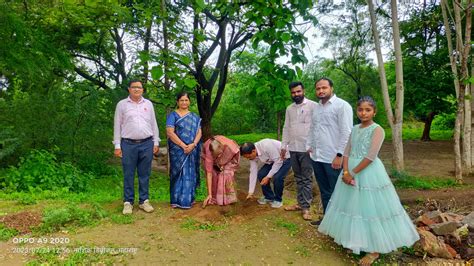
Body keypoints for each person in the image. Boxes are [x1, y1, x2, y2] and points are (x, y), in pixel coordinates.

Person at [318, 96, 419, 265]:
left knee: (371, 210)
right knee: (352, 207)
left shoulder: (377, 129)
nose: (363, 113)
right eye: (360, 110)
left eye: (367, 110)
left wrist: (353, 173)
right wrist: (345, 172)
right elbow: (347, 151)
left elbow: (371, 156)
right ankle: (355, 241)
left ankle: (374, 250)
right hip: (349, 169)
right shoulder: (355, 128)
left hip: (367, 172)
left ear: (374, 111)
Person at [306, 77, 353, 225]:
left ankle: (341, 225)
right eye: (318, 88)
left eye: (324, 88)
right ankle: (327, 220)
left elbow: (347, 132)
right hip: (317, 157)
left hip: (333, 158)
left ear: (331, 88)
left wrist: (340, 155)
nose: (321, 91)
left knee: (338, 192)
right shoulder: (317, 108)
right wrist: (309, 147)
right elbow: (313, 129)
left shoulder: (342, 106)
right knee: (325, 191)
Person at [113, 79, 160, 215]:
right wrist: (117, 145)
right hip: (128, 144)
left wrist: (155, 142)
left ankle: (144, 201)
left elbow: (153, 123)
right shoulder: (122, 105)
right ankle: (128, 202)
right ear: (129, 89)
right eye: (133, 87)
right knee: (128, 174)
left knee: (144, 174)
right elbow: (117, 125)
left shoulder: (148, 104)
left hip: (146, 143)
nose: (136, 89)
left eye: (139, 87)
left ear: (142, 90)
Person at [281, 81, 317, 220]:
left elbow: (317, 127)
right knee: (298, 177)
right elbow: (286, 127)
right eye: (293, 92)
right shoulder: (289, 108)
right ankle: (300, 203)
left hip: (307, 149)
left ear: (303, 91)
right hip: (293, 148)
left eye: (298, 91)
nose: (296, 94)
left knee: (307, 178)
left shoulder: (313, 106)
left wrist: (313, 145)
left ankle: (306, 208)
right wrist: (284, 146)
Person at [166, 92, 202, 209]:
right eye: (181, 100)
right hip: (177, 150)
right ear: (177, 102)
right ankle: (176, 200)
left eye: (186, 100)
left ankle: (189, 200)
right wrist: (183, 145)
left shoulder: (194, 117)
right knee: (178, 173)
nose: (184, 102)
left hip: (192, 149)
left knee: (190, 173)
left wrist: (193, 144)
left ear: (189, 102)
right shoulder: (173, 115)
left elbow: (199, 132)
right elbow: (170, 132)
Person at [241, 139, 291, 208]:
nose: (249, 159)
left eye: (249, 157)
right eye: (247, 158)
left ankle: (278, 200)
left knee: (277, 178)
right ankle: (269, 197)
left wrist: (268, 177)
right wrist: (250, 192)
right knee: (261, 174)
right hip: (273, 160)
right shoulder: (252, 155)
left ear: (253, 151)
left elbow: (278, 161)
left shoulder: (266, 146)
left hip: (285, 158)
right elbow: (253, 172)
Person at [201, 135, 240, 207]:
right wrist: (209, 194)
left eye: (219, 154)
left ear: (221, 147)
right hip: (207, 158)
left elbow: (235, 156)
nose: (218, 157)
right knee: (214, 176)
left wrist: (227, 167)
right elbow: (209, 174)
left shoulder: (229, 147)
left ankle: (228, 199)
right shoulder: (209, 153)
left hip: (226, 162)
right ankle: (214, 198)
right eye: (216, 155)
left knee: (226, 174)